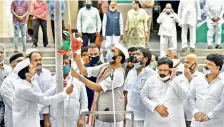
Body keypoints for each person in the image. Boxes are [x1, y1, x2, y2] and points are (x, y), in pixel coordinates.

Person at [71, 43, 129, 127]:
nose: (109, 53)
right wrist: (77, 59)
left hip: (112, 118)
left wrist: (79, 77)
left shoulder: (118, 73)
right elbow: (84, 71)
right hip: (99, 114)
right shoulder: (105, 67)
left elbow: (98, 88)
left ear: (119, 58)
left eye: (113, 51)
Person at [12, 58, 73, 127]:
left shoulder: (29, 83)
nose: (34, 69)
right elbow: (45, 100)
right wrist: (65, 93)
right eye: (32, 68)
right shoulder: (24, 89)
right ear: (27, 74)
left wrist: (57, 87)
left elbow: (42, 95)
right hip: (26, 123)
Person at [140, 57, 189, 127]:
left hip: (174, 123)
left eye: (165, 70)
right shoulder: (151, 79)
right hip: (153, 122)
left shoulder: (181, 80)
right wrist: (155, 106)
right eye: (160, 70)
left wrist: (174, 80)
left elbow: (184, 96)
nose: (162, 72)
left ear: (171, 69)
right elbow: (143, 96)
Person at [50, 55, 88, 127]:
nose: (64, 65)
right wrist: (46, 119)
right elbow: (46, 101)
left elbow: (84, 101)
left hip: (73, 121)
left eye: (66, 63)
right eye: (62, 63)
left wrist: (81, 118)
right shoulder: (51, 80)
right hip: (56, 120)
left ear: (70, 66)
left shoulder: (78, 82)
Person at [188, 54, 224, 127]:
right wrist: (195, 112)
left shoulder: (222, 82)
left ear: (217, 67)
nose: (206, 66)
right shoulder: (197, 80)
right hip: (196, 123)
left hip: (215, 123)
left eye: (209, 64)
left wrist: (209, 116)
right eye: (206, 63)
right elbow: (190, 98)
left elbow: (223, 103)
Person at [124, 48, 156, 127]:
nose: (135, 56)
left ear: (145, 59)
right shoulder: (131, 72)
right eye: (135, 54)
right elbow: (126, 93)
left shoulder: (152, 74)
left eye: (138, 54)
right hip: (129, 115)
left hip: (144, 117)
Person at [173, 54, 203, 127]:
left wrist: (190, 79)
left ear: (195, 64)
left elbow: (199, 95)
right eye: (185, 62)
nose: (185, 64)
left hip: (194, 116)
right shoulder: (179, 77)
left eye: (188, 62)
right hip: (180, 116)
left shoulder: (202, 77)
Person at [28, 51, 53, 127]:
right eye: (36, 60)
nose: (39, 62)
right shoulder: (27, 76)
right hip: (31, 115)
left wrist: (46, 117)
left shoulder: (47, 73)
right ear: (30, 62)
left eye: (40, 59)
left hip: (45, 115)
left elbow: (48, 95)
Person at [1, 53, 25, 127]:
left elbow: (39, 98)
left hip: (30, 120)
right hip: (14, 121)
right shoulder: (7, 83)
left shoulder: (29, 79)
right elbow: (13, 104)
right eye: (20, 62)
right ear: (13, 64)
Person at [84, 43, 103, 111]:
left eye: (95, 54)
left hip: (100, 103)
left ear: (100, 53)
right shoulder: (83, 68)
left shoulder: (104, 67)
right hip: (87, 102)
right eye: (91, 54)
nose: (93, 56)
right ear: (87, 54)